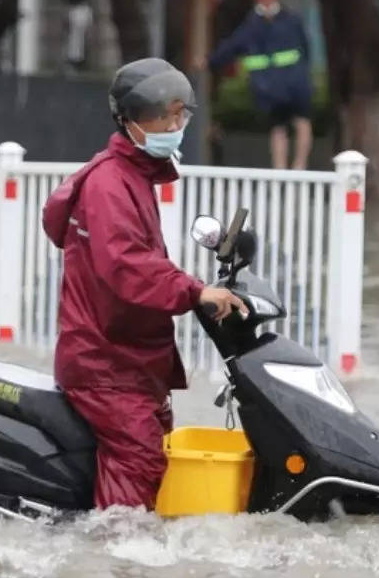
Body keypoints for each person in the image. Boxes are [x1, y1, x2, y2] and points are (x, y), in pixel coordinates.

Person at [42, 58, 247, 511]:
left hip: (129, 360)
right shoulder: (109, 185)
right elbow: (128, 266)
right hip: (107, 365)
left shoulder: (131, 176)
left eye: (180, 114)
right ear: (130, 120)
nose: (175, 125)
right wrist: (195, 291)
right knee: (139, 466)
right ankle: (115, 566)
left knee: (151, 463)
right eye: (163, 116)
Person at [208, 0, 314, 170]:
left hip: (293, 84)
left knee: (301, 123)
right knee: (280, 128)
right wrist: (209, 61)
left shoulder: (289, 20)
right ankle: (280, 171)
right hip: (271, 88)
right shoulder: (253, 25)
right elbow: (232, 47)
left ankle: (299, 167)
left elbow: (305, 49)